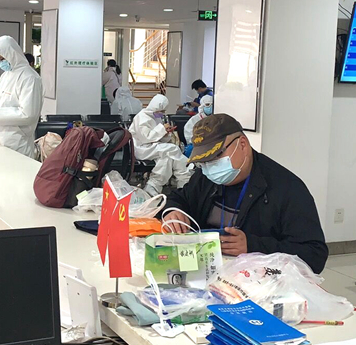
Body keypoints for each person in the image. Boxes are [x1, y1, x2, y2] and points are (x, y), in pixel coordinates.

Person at [162, 114, 328, 274]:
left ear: (242, 145)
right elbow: (180, 197)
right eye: (203, 161)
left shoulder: (286, 188)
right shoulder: (206, 177)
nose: (210, 167)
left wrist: (254, 246)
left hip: (259, 282)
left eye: (217, 156)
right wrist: (173, 211)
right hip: (207, 271)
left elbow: (314, 255)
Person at [0, 36, 43, 158]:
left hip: (18, 145)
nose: (0, 63)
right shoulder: (5, 76)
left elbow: (28, 115)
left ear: (12, 55)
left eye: (2, 59)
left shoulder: (30, 78)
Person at [129, 94, 193, 196]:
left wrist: (166, 133)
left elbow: (158, 137)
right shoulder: (141, 117)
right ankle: (185, 177)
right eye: (161, 111)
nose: (162, 114)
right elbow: (146, 138)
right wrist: (162, 129)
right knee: (173, 149)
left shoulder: (155, 117)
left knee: (167, 158)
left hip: (152, 147)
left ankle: (153, 185)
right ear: (155, 108)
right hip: (141, 148)